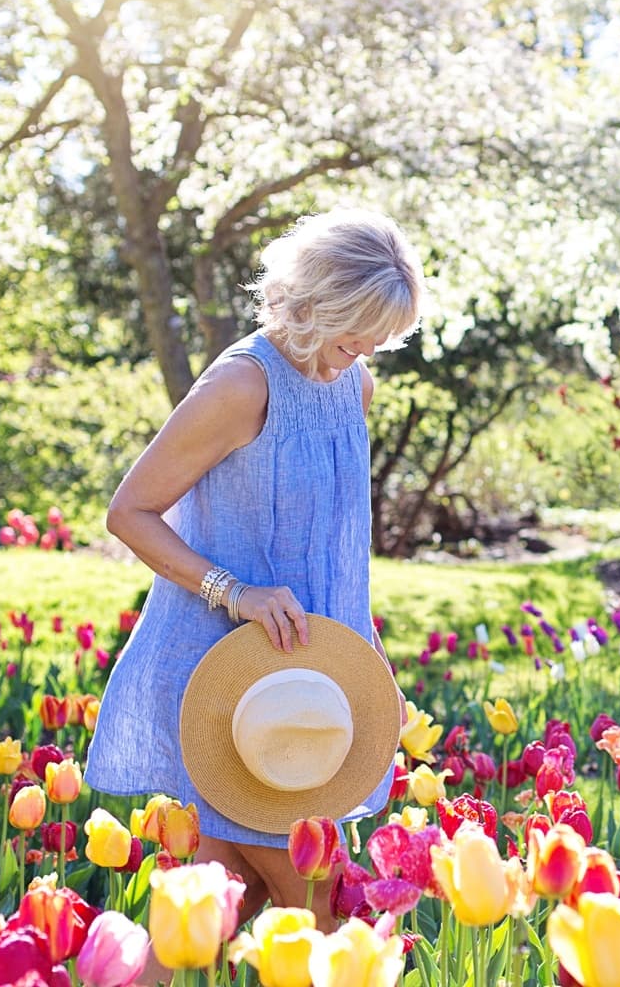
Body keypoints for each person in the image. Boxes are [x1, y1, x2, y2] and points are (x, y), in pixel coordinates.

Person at [87, 209, 422, 929]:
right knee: (336, 922)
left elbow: (339, 553)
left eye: (374, 344)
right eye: (349, 339)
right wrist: (232, 592)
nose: (357, 358)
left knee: (211, 917)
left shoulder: (353, 387)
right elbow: (130, 513)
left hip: (313, 682)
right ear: (311, 306)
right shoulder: (242, 386)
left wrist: (372, 665)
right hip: (240, 689)